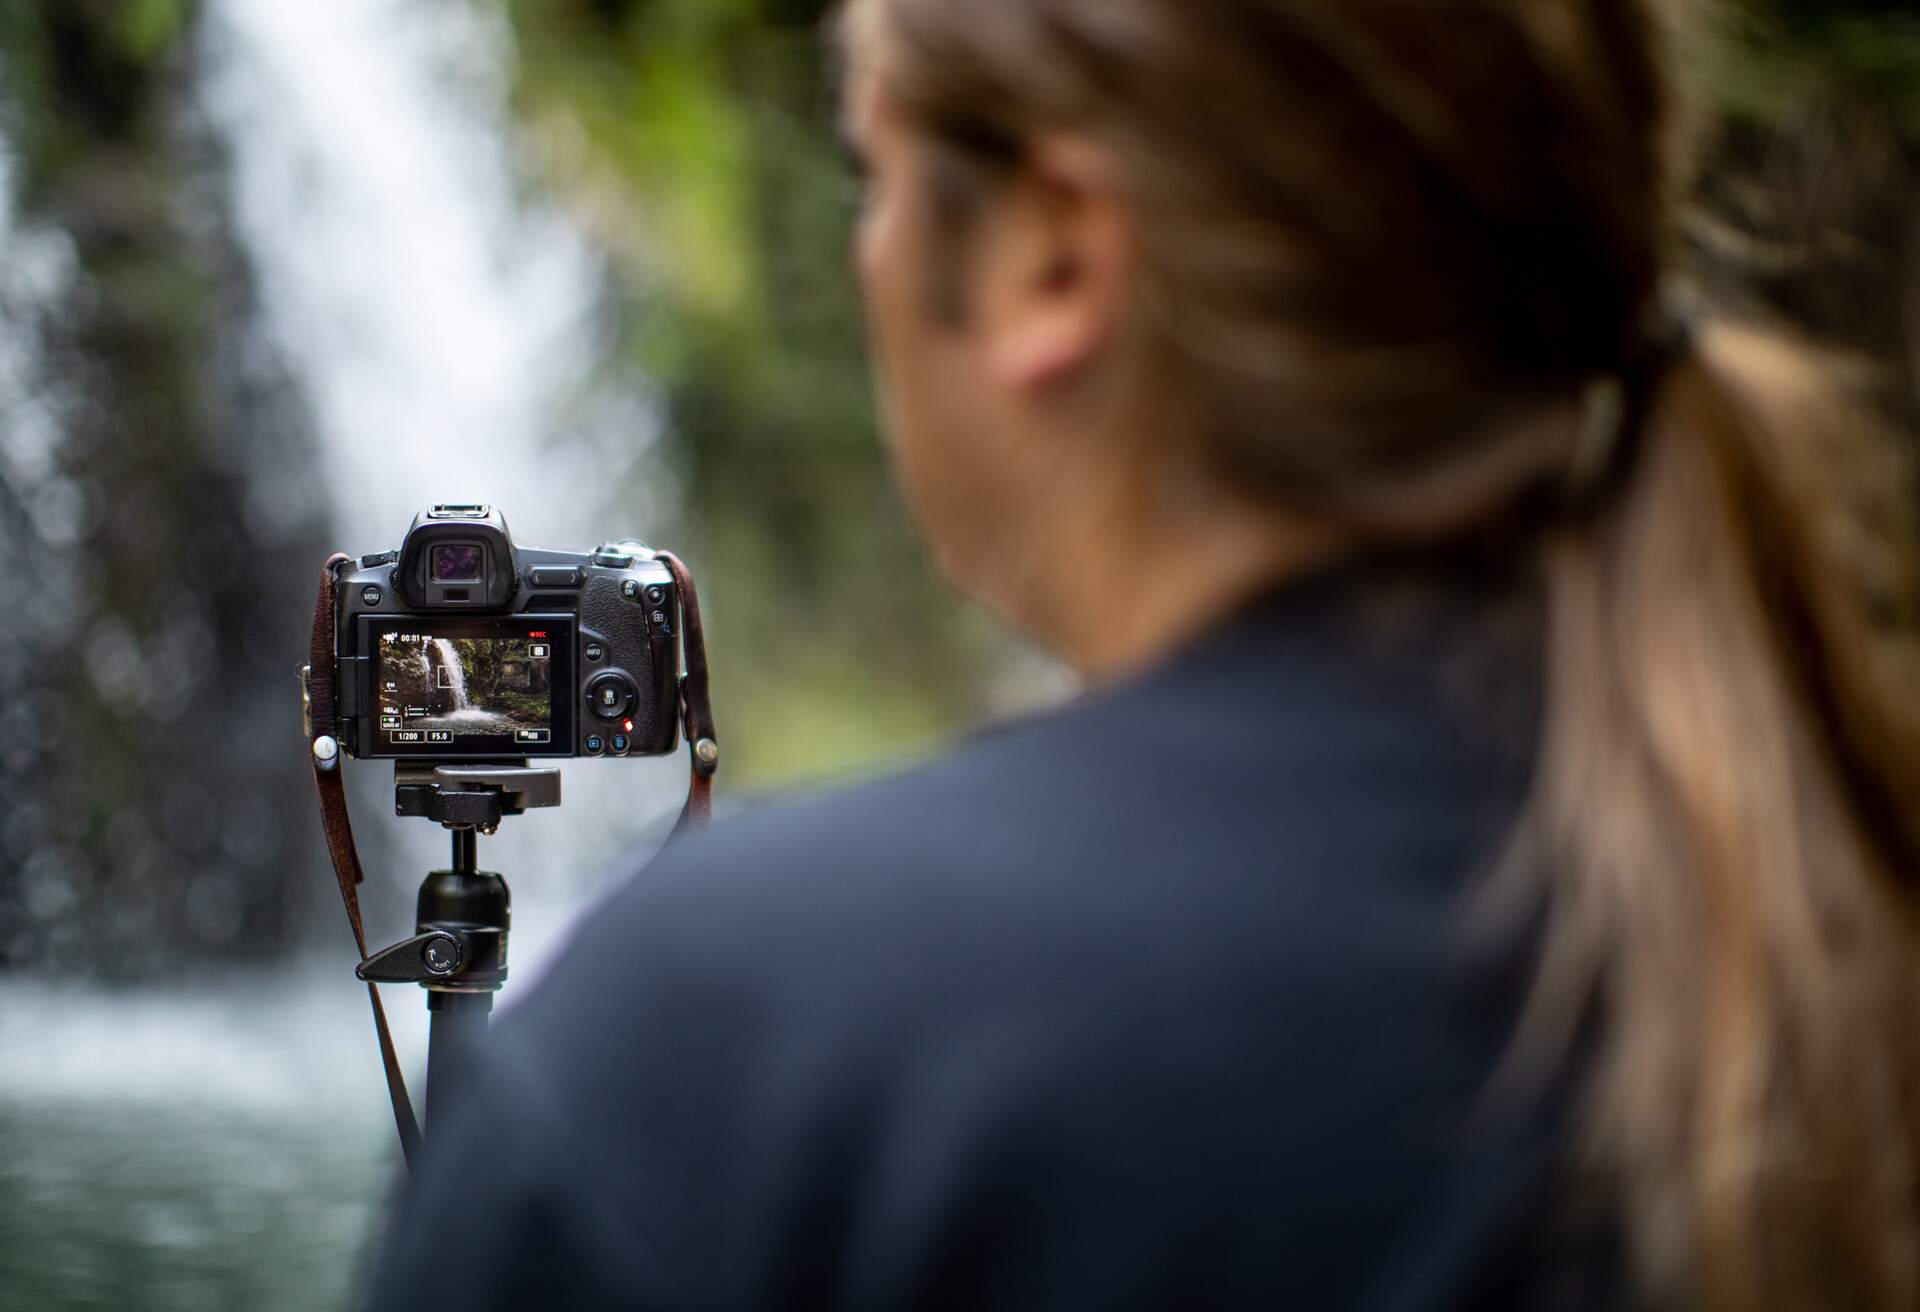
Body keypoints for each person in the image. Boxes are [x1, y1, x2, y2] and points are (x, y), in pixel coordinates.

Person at [361, 0, 1920, 1307]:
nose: (871, 247)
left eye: (876, 167)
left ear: (1054, 258)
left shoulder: (734, 1053)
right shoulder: (1820, 896)